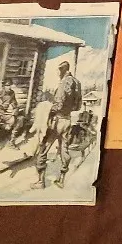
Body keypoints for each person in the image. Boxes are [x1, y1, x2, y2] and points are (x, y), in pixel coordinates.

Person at [32, 61, 82, 189]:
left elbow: (58, 104)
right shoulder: (77, 83)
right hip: (67, 120)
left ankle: (40, 182)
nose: (58, 74)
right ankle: (61, 180)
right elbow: (77, 106)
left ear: (62, 70)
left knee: (43, 148)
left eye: (59, 71)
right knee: (64, 149)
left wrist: (49, 108)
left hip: (57, 121)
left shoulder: (63, 83)